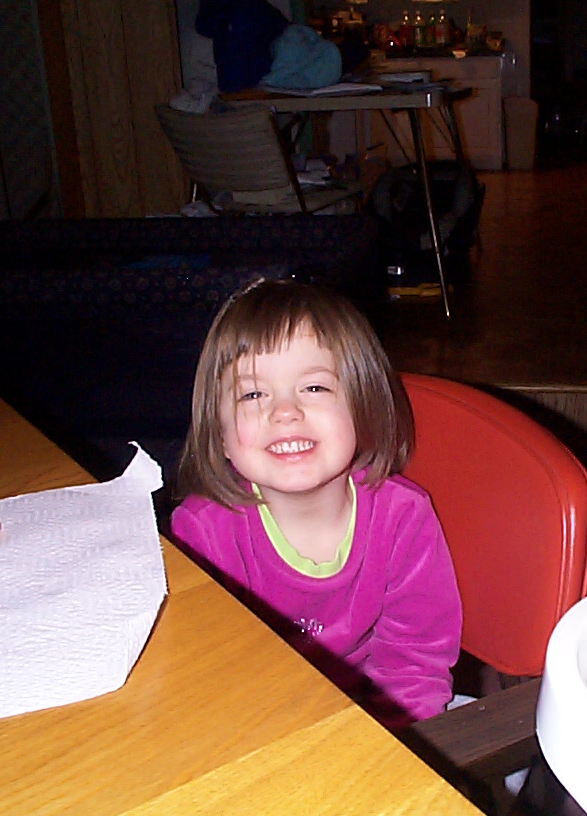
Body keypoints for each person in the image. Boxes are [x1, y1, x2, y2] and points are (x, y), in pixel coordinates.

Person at [170, 279, 461, 728]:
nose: (284, 411)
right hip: (254, 725)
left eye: (314, 388)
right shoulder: (201, 535)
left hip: (372, 723)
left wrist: (378, 746)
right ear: (221, 435)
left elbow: (414, 667)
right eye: (253, 394)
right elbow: (206, 678)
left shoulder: (403, 517)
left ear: (363, 408)